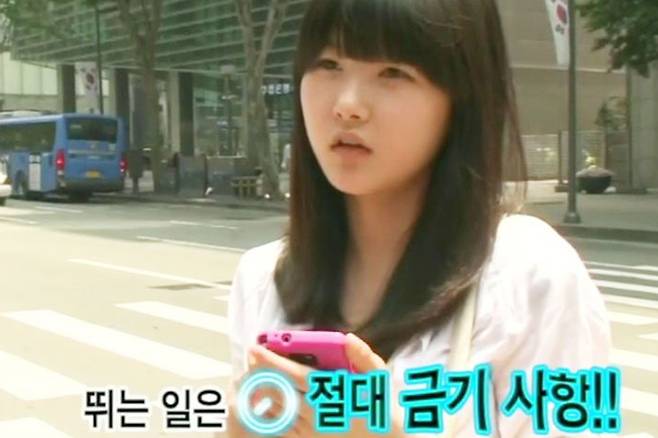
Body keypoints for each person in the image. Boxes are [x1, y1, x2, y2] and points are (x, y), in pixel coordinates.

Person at [225, 0, 611, 436]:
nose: (347, 105)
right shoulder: (262, 280)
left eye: (393, 72)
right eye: (329, 64)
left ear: (461, 96)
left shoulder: (531, 276)